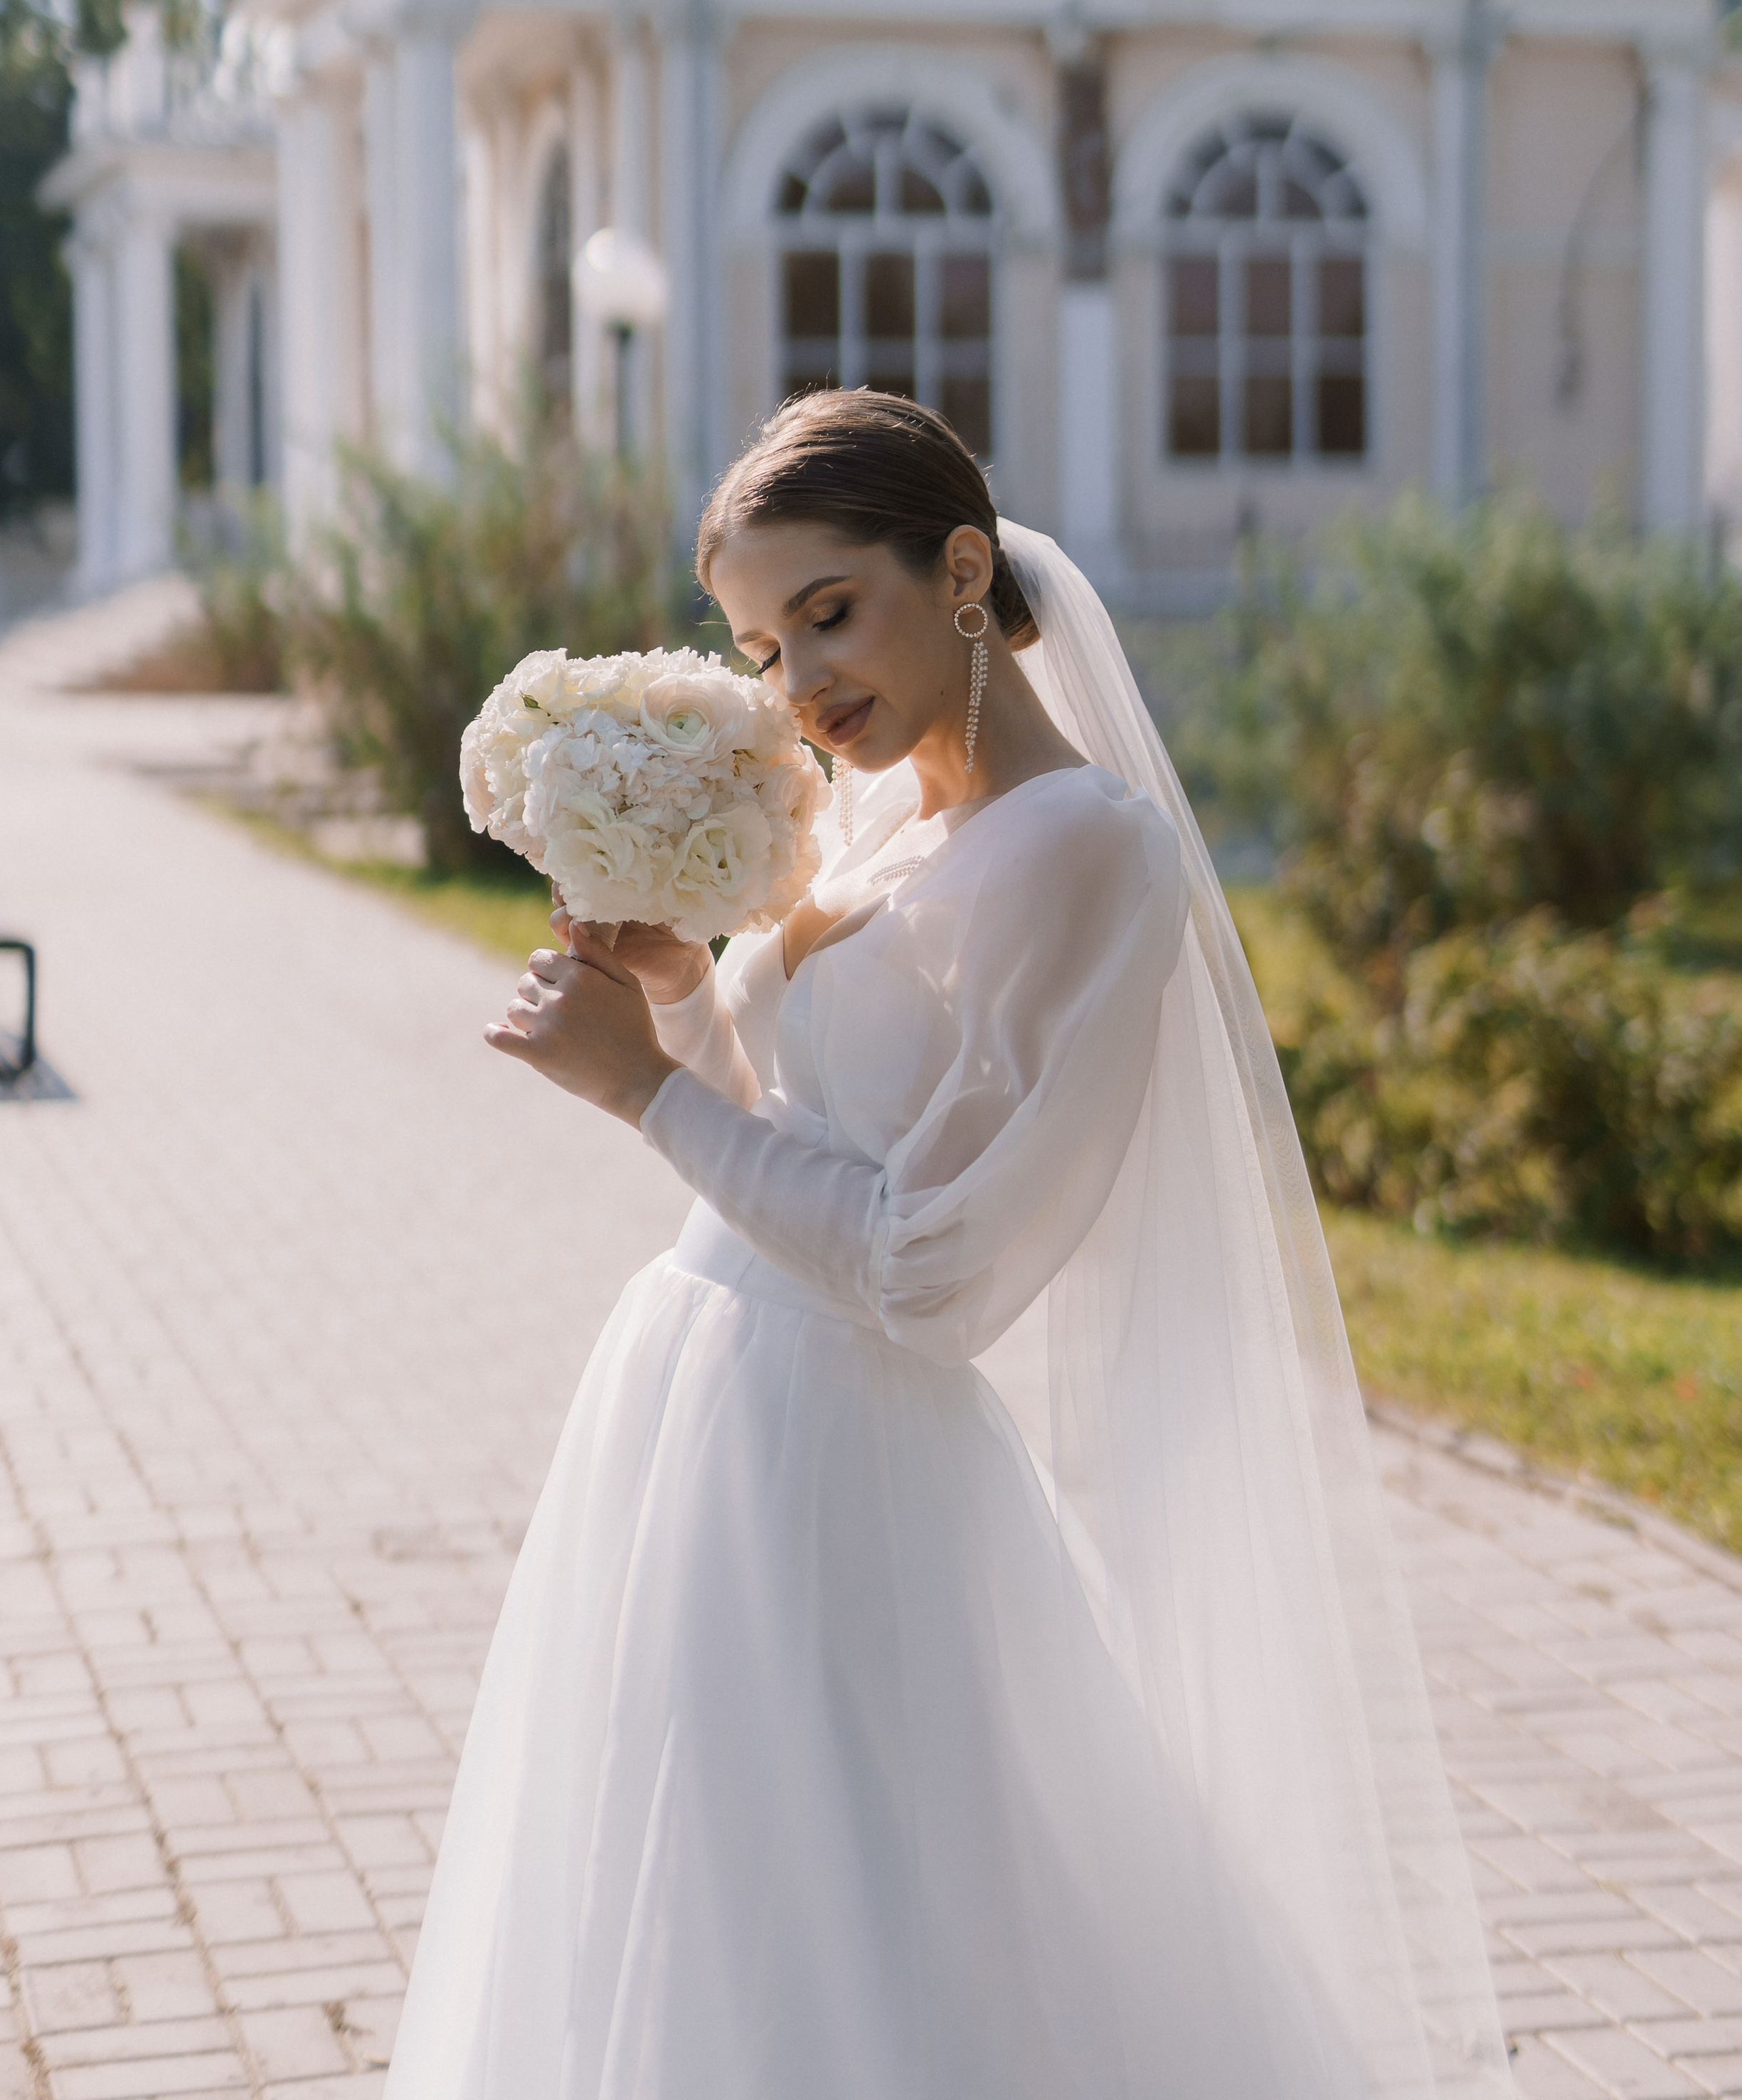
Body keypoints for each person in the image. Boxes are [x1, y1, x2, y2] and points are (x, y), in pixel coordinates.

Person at [383, 390, 1511, 2100]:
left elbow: (932, 1276)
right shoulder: (873, 815)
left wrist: (643, 1098)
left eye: (828, 612)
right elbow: (791, 1126)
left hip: (845, 1449)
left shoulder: (1088, 849)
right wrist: (678, 996)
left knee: (869, 1922)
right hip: (698, 1404)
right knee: (699, 1915)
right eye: (762, 648)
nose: (797, 683)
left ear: (963, 570)